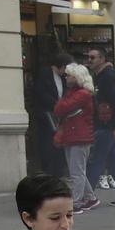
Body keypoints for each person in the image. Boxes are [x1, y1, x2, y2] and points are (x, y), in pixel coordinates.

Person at [80, 47, 115, 207]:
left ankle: (88, 196)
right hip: (104, 125)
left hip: (107, 126)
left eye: (93, 57)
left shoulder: (108, 77)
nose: (89, 60)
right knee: (114, 162)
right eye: (89, 57)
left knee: (95, 161)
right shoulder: (99, 77)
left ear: (103, 59)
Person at [53, 63, 97, 212]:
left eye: (69, 75)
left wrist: (61, 104)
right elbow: (60, 108)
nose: (66, 77)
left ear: (77, 77)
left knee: (76, 172)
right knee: (78, 171)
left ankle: (76, 202)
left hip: (79, 136)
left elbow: (61, 108)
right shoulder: (74, 92)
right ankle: (90, 197)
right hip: (73, 135)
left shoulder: (82, 94)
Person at [33, 50, 70, 179]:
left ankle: (59, 171)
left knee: (59, 143)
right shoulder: (45, 74)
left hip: (59, 114)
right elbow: (40, 93)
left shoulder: (63, 78)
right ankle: (48, 172)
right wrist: (57, 103)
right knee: (48, 144)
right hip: (47, 113)